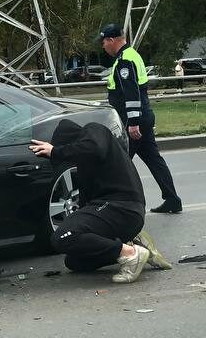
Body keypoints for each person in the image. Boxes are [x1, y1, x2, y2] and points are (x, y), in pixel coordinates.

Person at [29, 120, 169, 283]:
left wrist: (55, 151)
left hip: (122, 206)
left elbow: (94, 149)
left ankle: (130, 254)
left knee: (62, 236)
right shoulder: (86, 165)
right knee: (74, 262)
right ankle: (134, 245)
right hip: (118, 214)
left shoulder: (94, 131)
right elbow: (86, 209)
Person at [98, 24, 183, 213]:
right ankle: (172, 199)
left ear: (112, 40)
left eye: (104, 43)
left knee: (116, 164)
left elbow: (131, 93)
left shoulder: (125, 61)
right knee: (154, 160)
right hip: (142, 117)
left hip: (133, 122)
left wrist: (133, 123)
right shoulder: (131, 55)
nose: (103, 46)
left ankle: (113, 207)